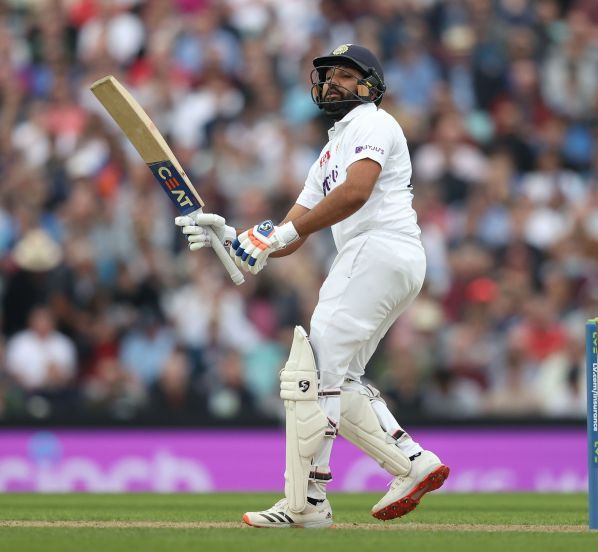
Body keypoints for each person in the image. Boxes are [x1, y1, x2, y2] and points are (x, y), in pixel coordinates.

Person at [175, 44, 449, 528]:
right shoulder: (328, 153)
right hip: (387, 258)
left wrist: (280, 234)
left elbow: (358, 191)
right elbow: (288, 236)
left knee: (310, 376)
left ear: (371, 86)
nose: (334, 82)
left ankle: (306, 503)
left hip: (378, 247)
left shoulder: (372, 121)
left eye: (346, 74)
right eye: (328, 75)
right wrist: (234, 239)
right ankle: (411, 462)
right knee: (337, 381)